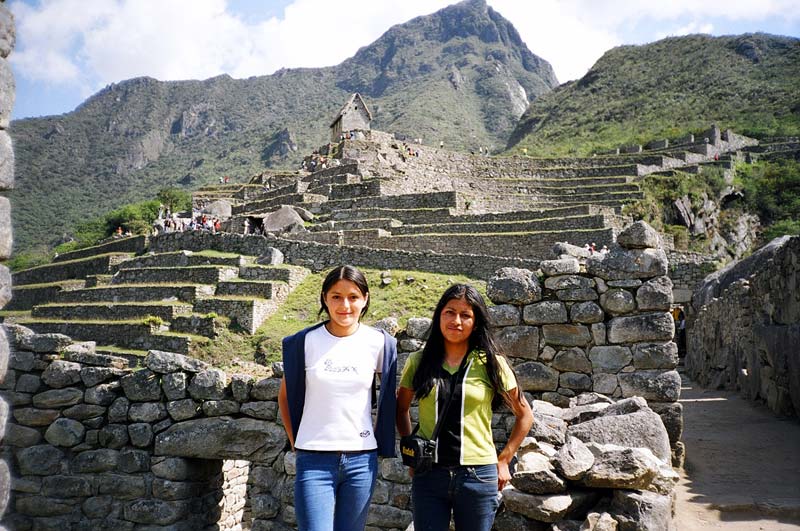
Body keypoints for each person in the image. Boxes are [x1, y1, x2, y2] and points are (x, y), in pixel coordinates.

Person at [396, 284, 533, 531]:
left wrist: (504, 460)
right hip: (429, 476)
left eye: (466, 315)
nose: (456, 320)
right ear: (439, 315)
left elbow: (525, 415)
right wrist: (411, 453)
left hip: (478, 476)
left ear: (476, 322)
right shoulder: (418, 361)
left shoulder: (491, 363)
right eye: (449, 312)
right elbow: (400, 408)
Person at [278, 265, 398, 531]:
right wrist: (296, 441)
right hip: (314, 460)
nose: (345, 305)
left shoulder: (380, 344)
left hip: (361, 461)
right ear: (324, 298)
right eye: (336, 296)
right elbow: (284, 397)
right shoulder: (303, 342)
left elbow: (389, 398)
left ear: (365, 299)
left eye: (353, 296)